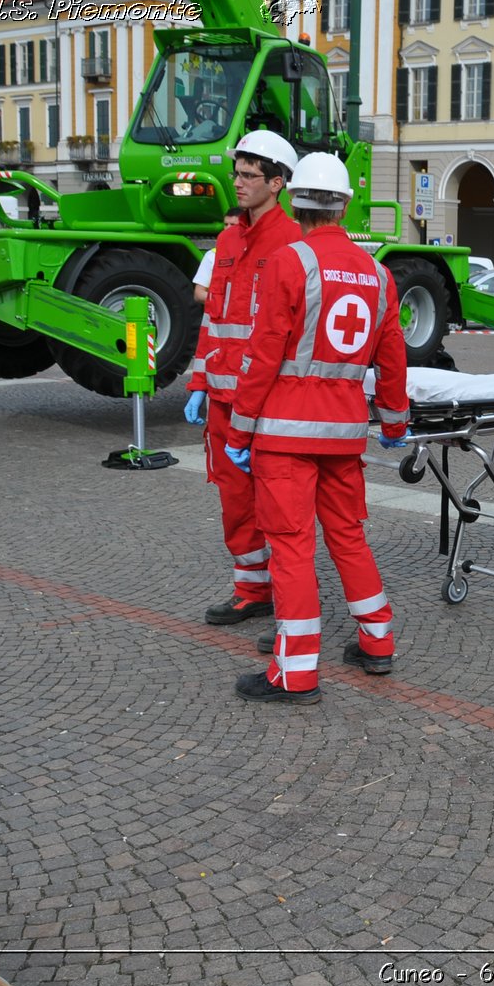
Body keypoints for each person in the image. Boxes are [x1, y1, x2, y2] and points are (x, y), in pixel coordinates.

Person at [225, 152, 410, 703]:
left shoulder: (288, 262)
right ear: (346, 203)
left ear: (295, 200)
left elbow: (262, 358)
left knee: (290, 546)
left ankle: (297, 671)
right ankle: (378, 640)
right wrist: (395, 423)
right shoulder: (379, 273)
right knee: (348, 535)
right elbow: (392, 358)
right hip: (345, 433)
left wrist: (238, 435)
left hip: (285, 435)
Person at [182, 131, 302, 627]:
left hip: (265, 399)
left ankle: (287, 595)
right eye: (238, 172)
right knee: (235, 501)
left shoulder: (293, 242)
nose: (238, 182)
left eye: (249, 175)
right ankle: (252, 590)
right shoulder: (228, 240)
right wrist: (197, 384)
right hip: (222, 397)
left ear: (277, 183)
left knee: (275, 504)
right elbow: (214, 318)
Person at [190, 208, 244, 304]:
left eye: (233, 225)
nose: (227, 228)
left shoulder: (254, 254)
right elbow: (198, 294)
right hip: (217, 315)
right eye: (226, 224)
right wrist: (225, 301)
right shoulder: (212, 255)